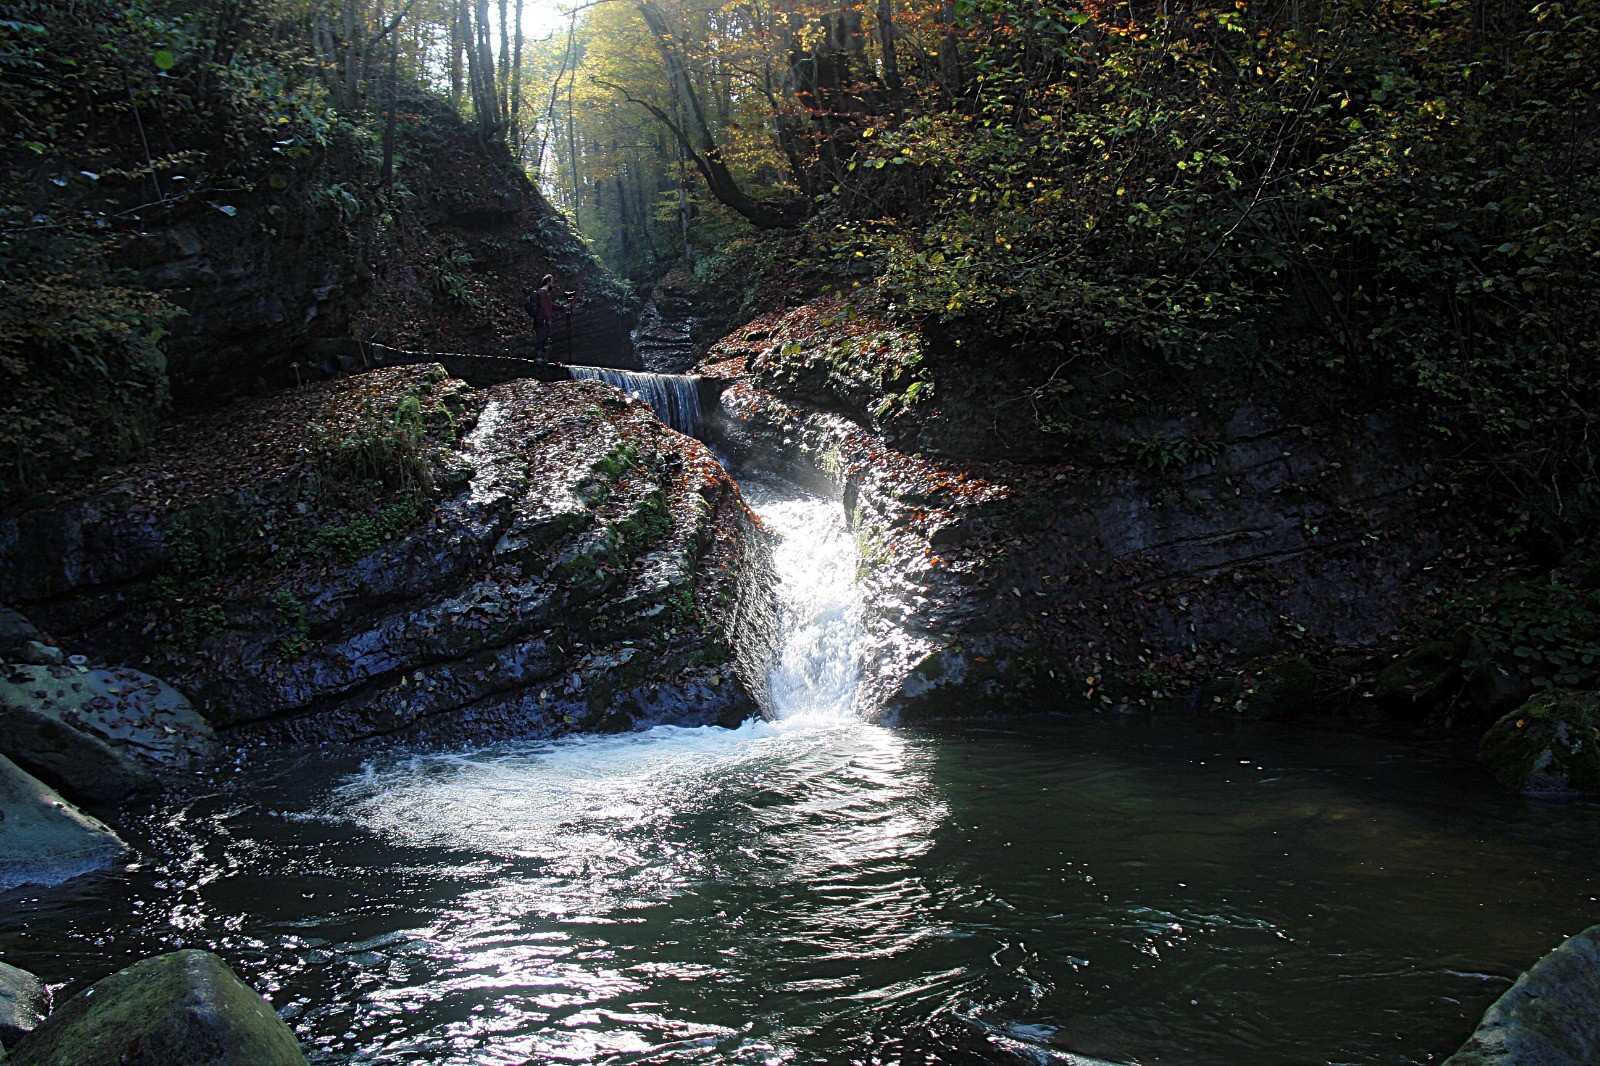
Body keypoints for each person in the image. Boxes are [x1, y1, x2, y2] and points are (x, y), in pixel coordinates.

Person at [528, 274, 559, 358]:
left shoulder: (541, 292)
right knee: (542, 336)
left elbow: (550, 304)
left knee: (542, 336)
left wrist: (562, 307)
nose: (552, 283)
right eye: (551, 281)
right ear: (548, 282)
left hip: (539, 318)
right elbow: (544, 307)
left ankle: (540, 356)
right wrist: (548, 319)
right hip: (542, 319)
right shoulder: (544, 292)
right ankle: (538, 357)